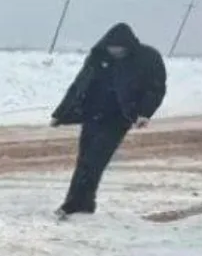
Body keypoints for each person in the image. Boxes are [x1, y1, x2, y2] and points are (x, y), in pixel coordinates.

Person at [50, 22, 167, 218]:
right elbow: (79, 85)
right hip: (92, 114)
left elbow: (155, 89)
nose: (116, 52)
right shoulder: (98, 56)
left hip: (119, 118)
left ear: (129, 46)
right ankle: (84, 203)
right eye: (112, 48)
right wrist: (60, 113)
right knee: (85, 160)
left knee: (95, 160)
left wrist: (144, 113)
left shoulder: (147, 58)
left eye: (120, 49)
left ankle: (74, 204)